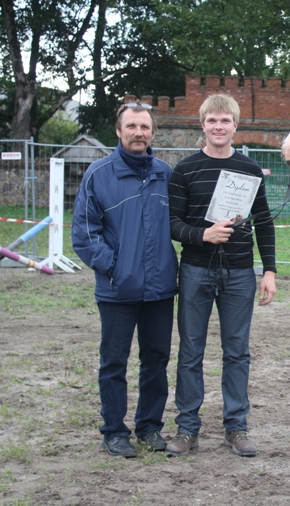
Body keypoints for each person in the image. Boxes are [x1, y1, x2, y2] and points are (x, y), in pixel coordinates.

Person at [166, 94, 276, 458]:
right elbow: (172, 223)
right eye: (212, 121)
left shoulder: (249, 170)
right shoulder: (184, 170)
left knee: (237, 352)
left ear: (235, 126)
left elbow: (263, 223)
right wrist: (203, 235)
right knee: (190, 351)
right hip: (196, 270)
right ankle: (187, 429)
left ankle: (236, 427)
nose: (218, 127)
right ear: (202, 125)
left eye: (225, 121)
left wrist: (270, 270)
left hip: (241, 272)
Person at [71, 102, 178, 458]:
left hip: (160, 289)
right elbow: (85, 234)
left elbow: (184, 223)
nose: (138, 133)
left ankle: (149, 427)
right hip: (117, 290)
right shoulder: (98, 175)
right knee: (114, 362)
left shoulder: (165, 173)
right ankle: (114, 430)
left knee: (156, 360)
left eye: (144, 127)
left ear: (152, 132)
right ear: (119, 131)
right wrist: (116, 267)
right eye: (131, 126)